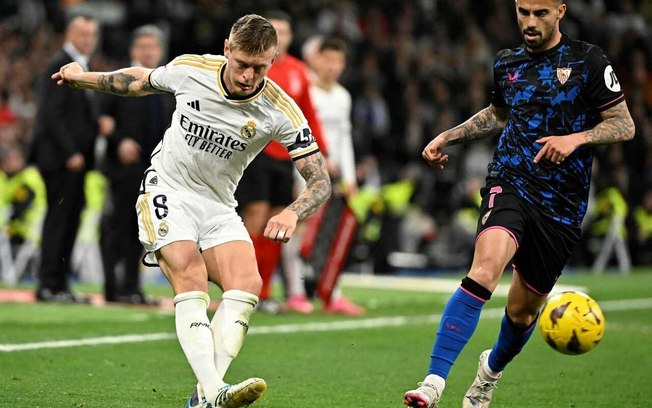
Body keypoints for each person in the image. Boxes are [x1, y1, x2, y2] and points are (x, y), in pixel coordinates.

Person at [51, 14, 331, 408]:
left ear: (274, 60)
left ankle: (204, 396)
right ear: (227, 49)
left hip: (219, 204)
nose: (249, 75)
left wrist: (293, 211)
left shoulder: (280, 109)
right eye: (242, 64)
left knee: (247, 285)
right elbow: (137, 81)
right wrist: (84, 76)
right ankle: (216, 391)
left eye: (260, 67)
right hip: (168, 189)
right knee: (191, 276)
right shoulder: (191, 69)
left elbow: (320, 179)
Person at [404, 1, 635, 407]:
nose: (530, 21)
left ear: (560, 11)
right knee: (485, 268)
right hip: (510, 180)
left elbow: (624, 124)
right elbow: (497, 114)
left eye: (540, 13)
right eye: (523, 11)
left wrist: (575, 139)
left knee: (524, 313)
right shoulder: (507, 62)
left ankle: (488, 374)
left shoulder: (588, 60)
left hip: (562, 204)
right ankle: (432, 383)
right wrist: (450, 136)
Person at [235, 10, 329, 314]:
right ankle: (238, 286)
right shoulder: (255, 67)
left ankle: (262, 291)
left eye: (283, 32)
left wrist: (322, 150)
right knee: (255, 219)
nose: (279, 38)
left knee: (277, 226)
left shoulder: (299, 71)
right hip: (255, 154)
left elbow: (307, 114)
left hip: (284, 157)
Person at [280, 36, 364, 315]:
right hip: (304, 171)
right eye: (328, 59)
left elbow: (345, 139)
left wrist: (350, 178)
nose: (333, 66)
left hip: (335, 175)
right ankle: (295, 293)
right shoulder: (306, 92)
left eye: (338, 61)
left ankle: (332, 294)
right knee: (298, 231)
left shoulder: (343, 96)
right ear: (316, 60)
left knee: (332, 233)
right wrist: (297, 176)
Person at [98, 24, 175, 304]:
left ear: (160, 51)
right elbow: (102, 119)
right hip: (124, 168)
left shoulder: (167, 86)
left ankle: (132, 288)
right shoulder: (118, 80)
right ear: (133, 50)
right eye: (143, 46)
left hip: (153, 170)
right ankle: (111, 288)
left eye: (153, 47)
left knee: (141, 231)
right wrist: (120, 141)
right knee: (117, 227)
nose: (148, 51)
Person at [30, 14, 101, 303]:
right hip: (61, 160)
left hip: (75, 161)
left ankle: (60, 285)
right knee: (59, 220)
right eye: (82, 34)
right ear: (70, 34)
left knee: (70, 219)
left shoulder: (81, 65)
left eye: (91, 35)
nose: (88, 40)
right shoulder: (59, 63)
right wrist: (70, 152)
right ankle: (48, 285)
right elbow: (50, 116)